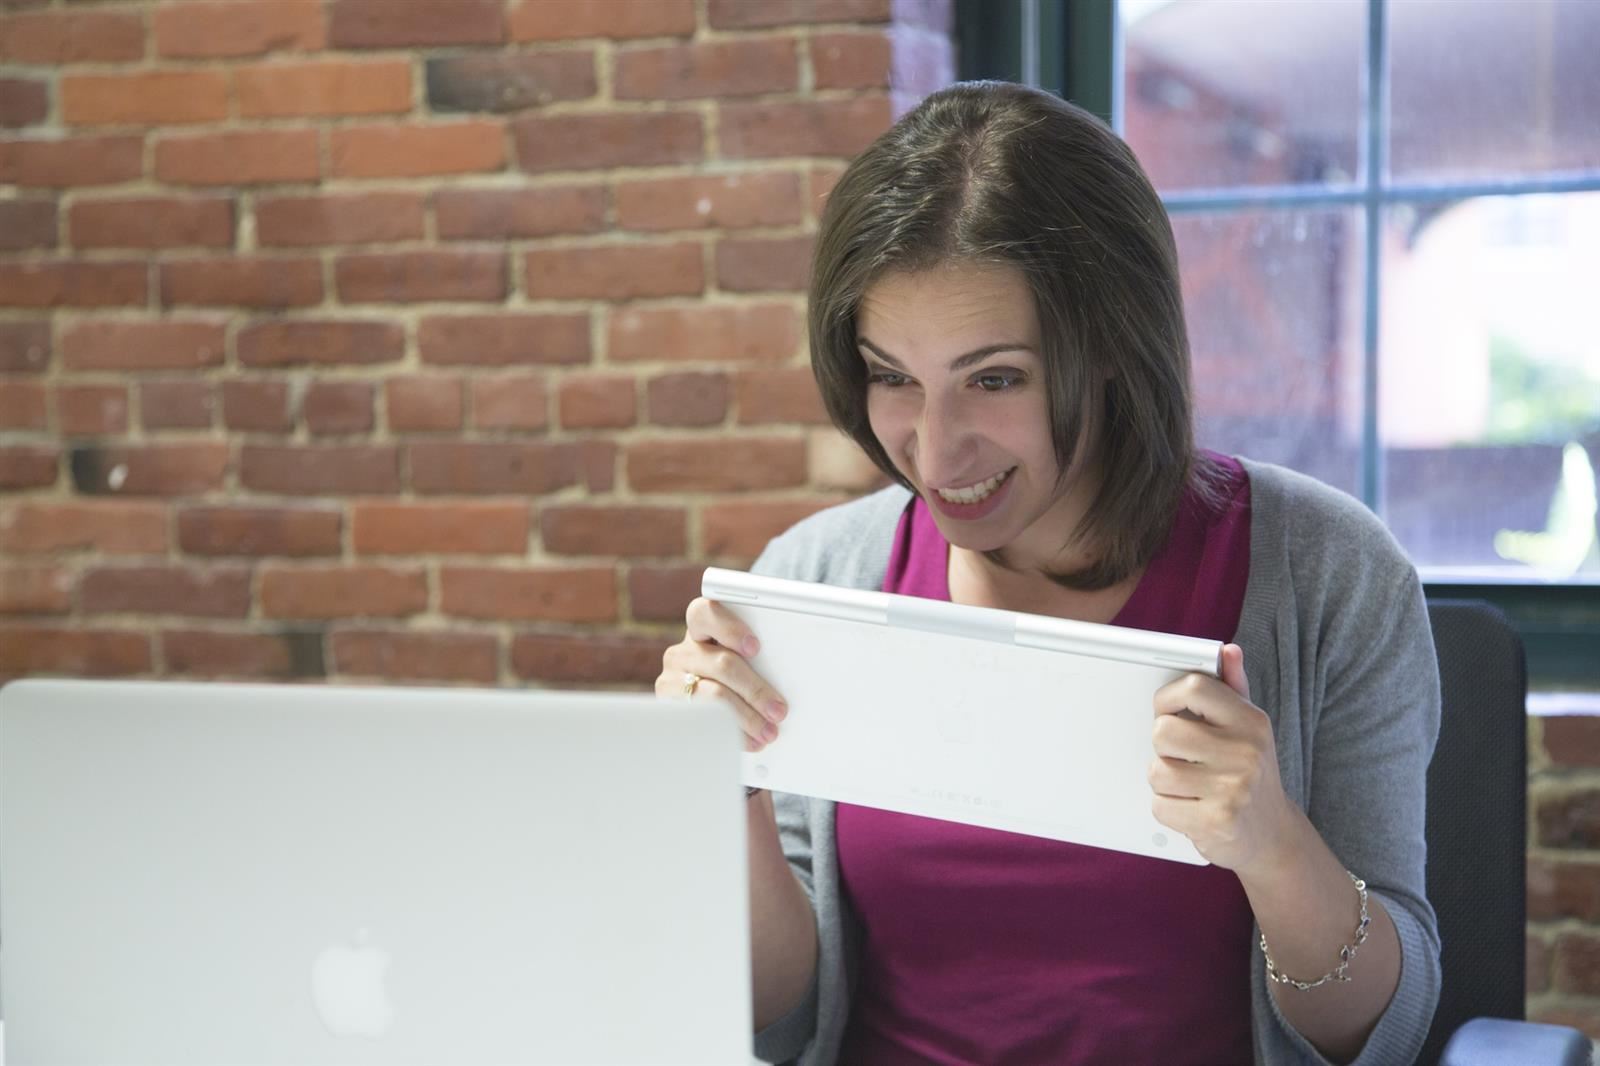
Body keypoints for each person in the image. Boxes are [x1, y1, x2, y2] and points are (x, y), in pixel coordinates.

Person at [656, 81, 1440, 1066]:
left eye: (994, 378)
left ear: (1112, 346)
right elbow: (778, 1018)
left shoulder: (1330, 578)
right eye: (893, 377)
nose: (934, 453)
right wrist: (722, 789)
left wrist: (1272, 844)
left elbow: (1384, 1032)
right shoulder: (818, 576)